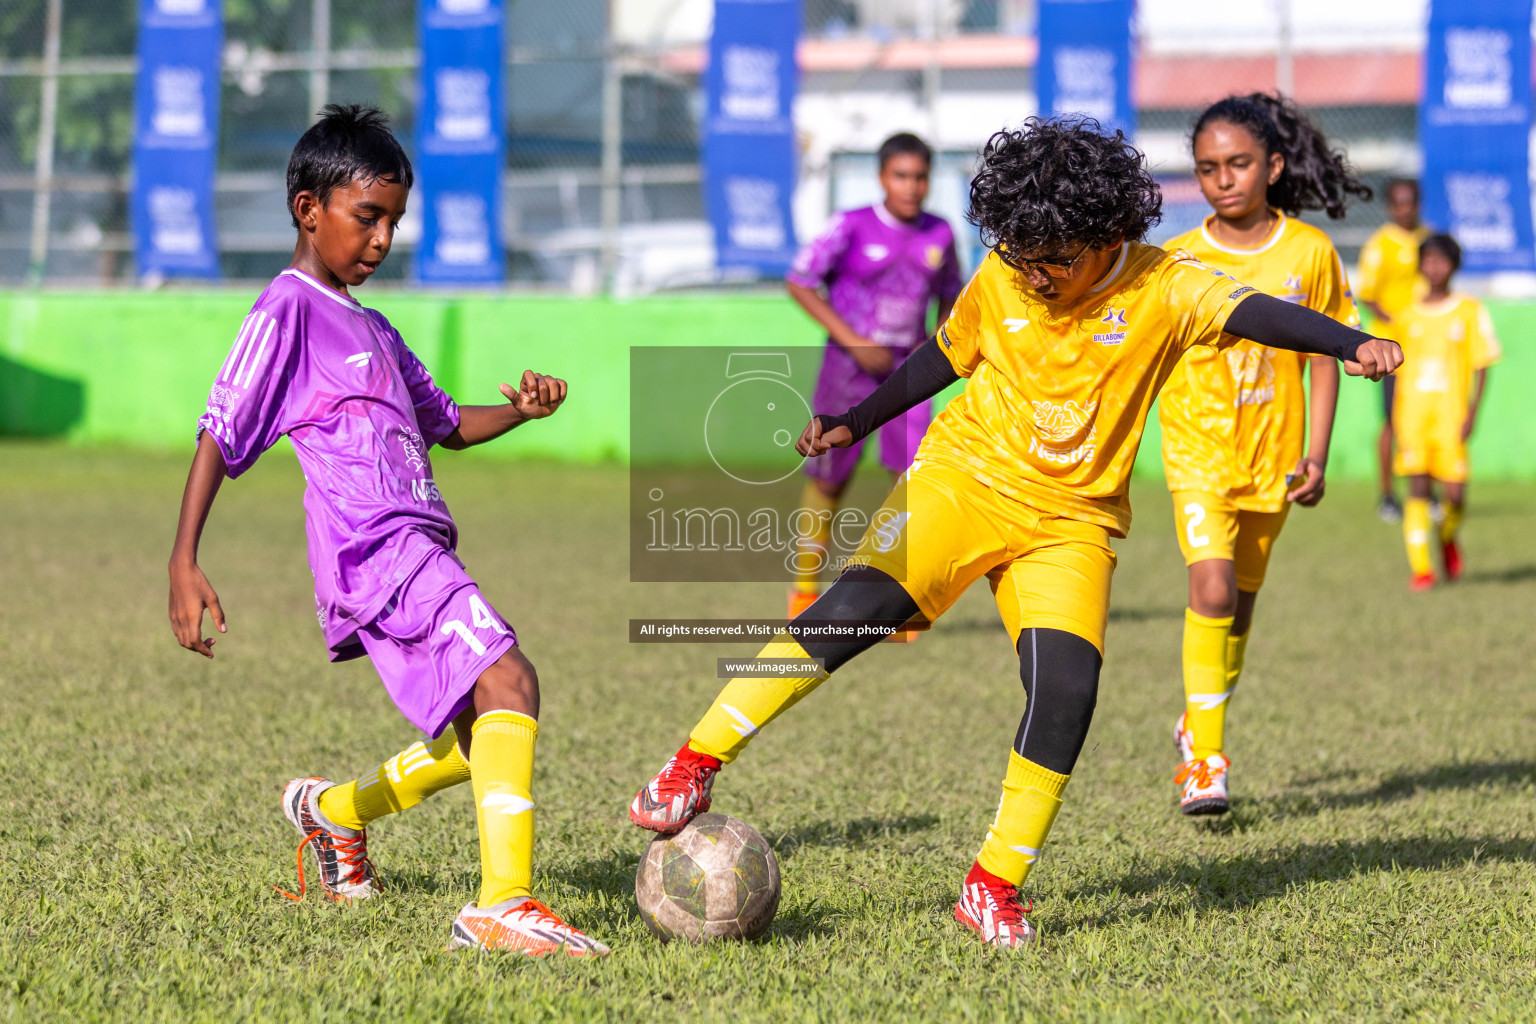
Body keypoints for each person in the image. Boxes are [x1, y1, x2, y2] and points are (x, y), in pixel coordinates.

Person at [628, 117, 1401, 948]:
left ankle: (992, 885)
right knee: (849, 613)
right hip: (964, 482)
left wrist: (1353, 342)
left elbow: (1259, 312)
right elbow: (946, 353)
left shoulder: (1168, 285)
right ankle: (692, 763)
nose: (1036, 275)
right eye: (1022, 255)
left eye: (1055, 260)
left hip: (1073, 519)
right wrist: (853, 422)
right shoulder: (1008, 270)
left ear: (1106, 234)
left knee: (1068, 690)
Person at [166, 106, 607, 957]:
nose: (381, 239)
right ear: (308, 209)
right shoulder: (285, 310)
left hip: (420, 545)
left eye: (394, 221)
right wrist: (184, 559)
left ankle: (333, 815)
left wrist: (516, 411)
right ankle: (502, 906)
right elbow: (221, 428)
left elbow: (445, 424)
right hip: (375, 551)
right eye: (366, 217)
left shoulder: (373, 325)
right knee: (509, 679)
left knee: (485, 730)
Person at [1158, 93, 1368, 817]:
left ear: (1273, 166)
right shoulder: (1177, 258)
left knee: (1239, 612)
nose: (1224, 179)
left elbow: (1323, 356)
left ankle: (1197, 718)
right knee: (1211, 590)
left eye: (1239, 163)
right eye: (1208, 168)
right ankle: (1206, 762)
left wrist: (1316, 454)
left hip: (1273, 458)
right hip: (1197, 453)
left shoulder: (1309, 252)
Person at [784, 132, 962, 623]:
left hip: (908, 376)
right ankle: (803, 591)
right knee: (829, 478)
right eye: (901, 175)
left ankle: (894, 603)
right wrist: (854, 341)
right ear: (882, 177)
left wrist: (938, 342)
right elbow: (799, 281)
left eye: (920, 176)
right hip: (846, 371)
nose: (911, 186)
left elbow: (952, 294)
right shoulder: (849, 226)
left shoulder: (940, 234)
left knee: (909, 483)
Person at [1384, 233, 1499, 590]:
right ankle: (1422, 569)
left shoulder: (1469, 310)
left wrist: (1472, 412)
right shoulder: (1405, 315)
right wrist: (1393, 416)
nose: (1434, 267)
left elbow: (1483, 364)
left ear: (1454, 266)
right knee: (1417, 489)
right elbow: (1394, 369)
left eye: (1442, 261)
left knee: (1455, 495)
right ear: (1420, 266)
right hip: (1413, 416)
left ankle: (1448, 536)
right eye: (1428, 260)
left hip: (1450, 416)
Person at [1357, 179, 1430, 523]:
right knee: (1392, 421)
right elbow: (1368, 296)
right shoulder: (1379, 245)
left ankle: (1424, 494)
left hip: (1428, 350)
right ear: (1390, 207)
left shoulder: (1429, 240)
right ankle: (1387, 495)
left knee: (1426, 420)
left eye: (1411, 202)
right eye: (1399, 203)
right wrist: (1401, 325)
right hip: (1393, 351)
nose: (1406, 209)